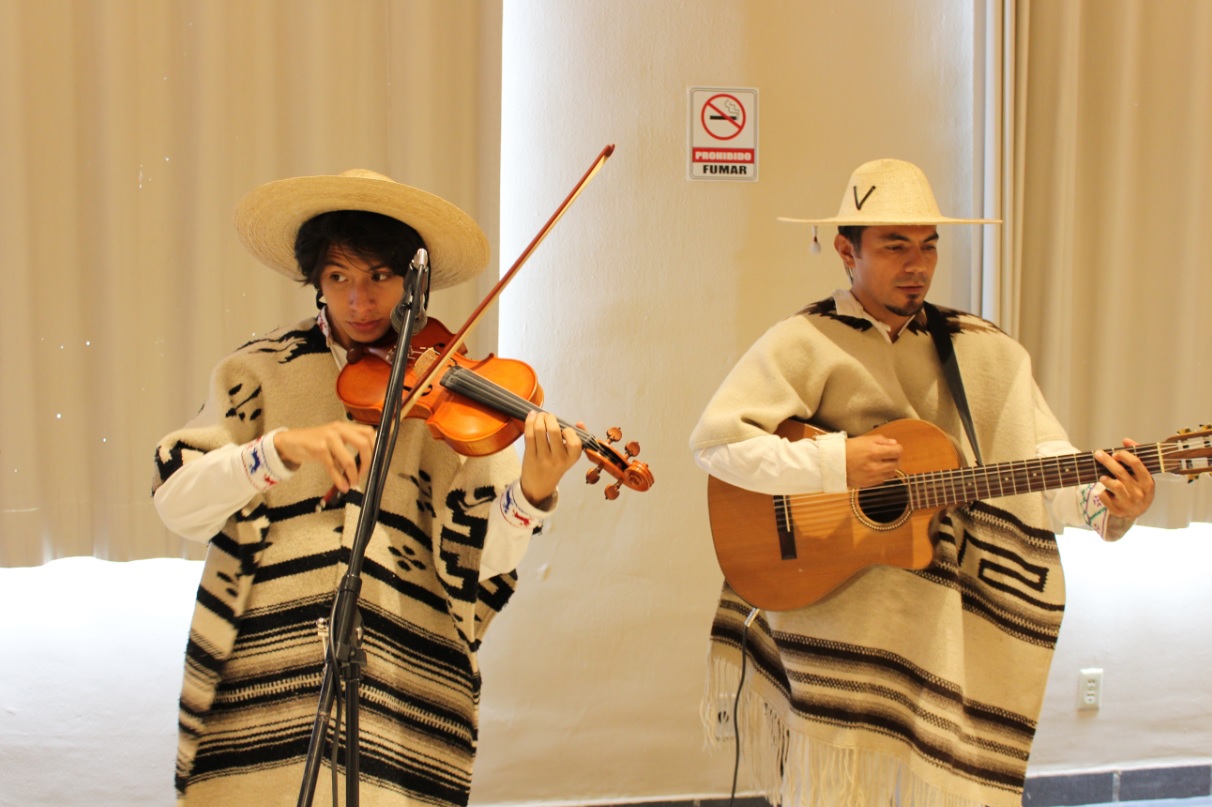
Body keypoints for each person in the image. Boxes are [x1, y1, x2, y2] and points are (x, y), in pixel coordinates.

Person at [689, 158, 1155, 807]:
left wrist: (1107, 504)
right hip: (839, 630)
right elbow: (716, 443)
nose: (918, 263)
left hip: (950, 629)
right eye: (896, 245)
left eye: (929, 243)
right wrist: (835, 463)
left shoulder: (985, 351)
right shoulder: (802, 341)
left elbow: (1041, 457)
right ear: (846, 251)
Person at [153, 169, 583, 806]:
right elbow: (178, 506)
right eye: (339, 278)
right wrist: (275, 450)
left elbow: (478, 565)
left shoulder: (451, 379)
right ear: (316, 282)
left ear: (414, 280)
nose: (360, 301)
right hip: (264, 665)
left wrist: (531, 496)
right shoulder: (260, 370)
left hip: (402, 667)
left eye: (381, 276)